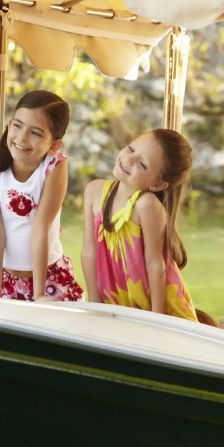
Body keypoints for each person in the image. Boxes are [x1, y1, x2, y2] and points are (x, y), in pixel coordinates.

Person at [0, 90, 84, 302]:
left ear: (54, 144)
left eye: (35, 133)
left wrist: (40, 294)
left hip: (49, 277)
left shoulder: (54, 165)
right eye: (17, 126)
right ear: (9, 125)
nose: (22, 137)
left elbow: (40, 228)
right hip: (3, 278)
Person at [81, 128, 198, 321]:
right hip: (116, 305)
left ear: (157, 185)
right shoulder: (94, 191)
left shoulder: (146, 205)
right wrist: (95, 305)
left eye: (142, 164)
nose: (129, 160)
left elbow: (155, 264)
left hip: (156, 309)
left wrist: (157, 320)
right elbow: (89, 252)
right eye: (131, 149)